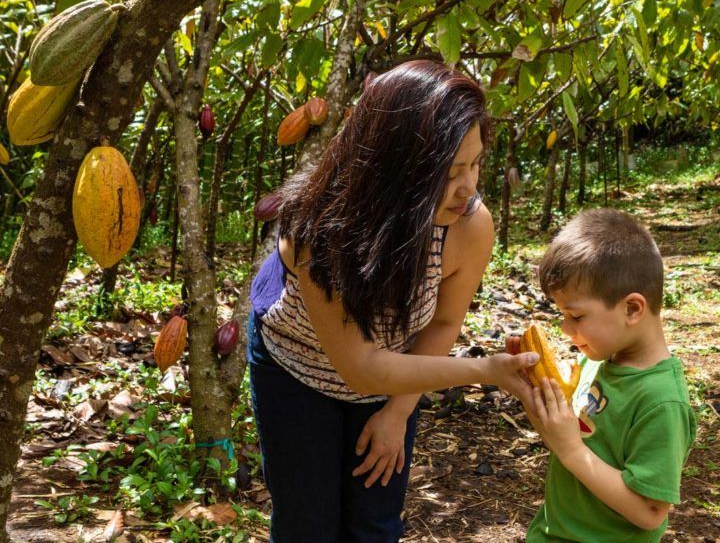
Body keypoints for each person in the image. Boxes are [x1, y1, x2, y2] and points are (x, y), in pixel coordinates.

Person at [247, 60, 538, 542]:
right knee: (307, 526)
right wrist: (486, 371)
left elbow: (442, 322)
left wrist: (398, 412)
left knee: (374, 524)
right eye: (450, 173)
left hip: (391, 374)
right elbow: (361, 367)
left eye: (475, 164)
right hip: (296, 368)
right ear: (398, 170)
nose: (468, 188)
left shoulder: (468, 226)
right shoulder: (320, 230)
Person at [522, 208, 697, 542]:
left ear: (631, 309)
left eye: (576, 316)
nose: (565, 328)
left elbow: (650, 512)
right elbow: (565, 435)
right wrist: (531, 389)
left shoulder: (661, 401)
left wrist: (572, 451)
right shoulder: (596, 362)